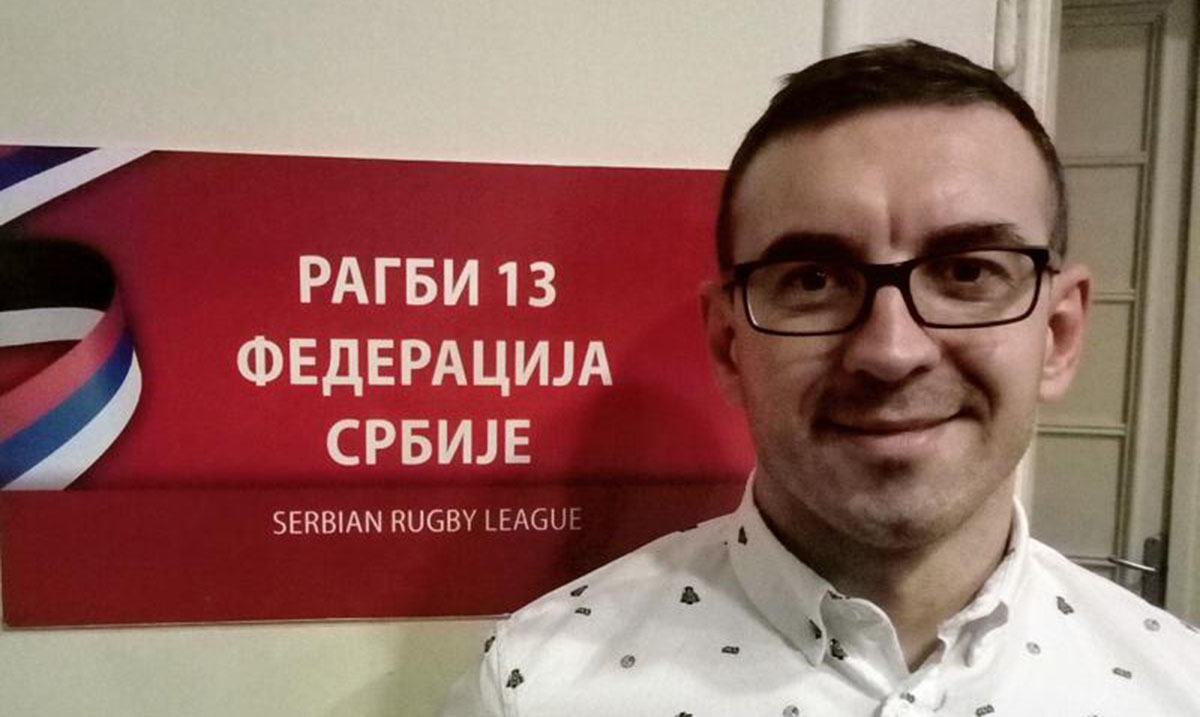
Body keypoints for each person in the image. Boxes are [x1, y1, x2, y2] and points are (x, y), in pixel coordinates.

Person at [439, 41, 1200, 716]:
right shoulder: (529, 693)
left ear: (1058, 335)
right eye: (813, 280)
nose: (891, 351)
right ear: (729, 346)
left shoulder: (1179, 687)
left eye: (968, 272)